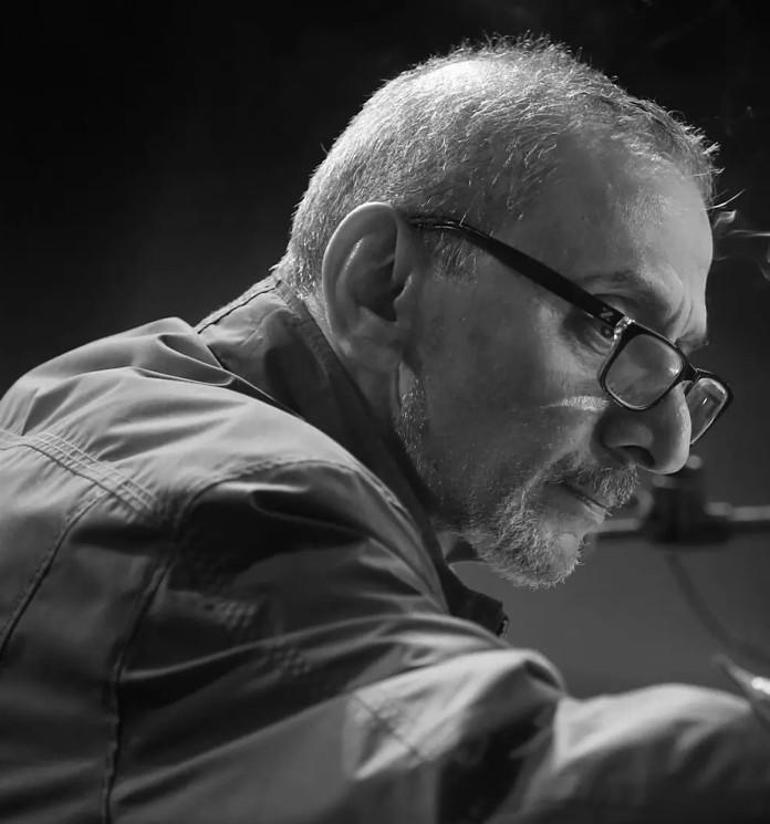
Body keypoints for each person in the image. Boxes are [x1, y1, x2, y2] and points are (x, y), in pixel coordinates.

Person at [0, 35, 767, 823]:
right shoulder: (228, 501)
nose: (668, 446)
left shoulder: (122, 416)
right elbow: (498, 788)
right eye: (612, 325)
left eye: (680, 371)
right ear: (380, 285)